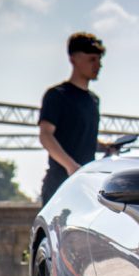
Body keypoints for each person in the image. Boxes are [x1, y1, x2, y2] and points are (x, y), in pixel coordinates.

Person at [37, 32, 117, 205]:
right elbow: (46, 136)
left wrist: (104, 147)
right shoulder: (57, 95)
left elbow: (79, 137)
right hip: (59, 184)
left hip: (85, 184)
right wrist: (71, 166)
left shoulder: (94, 100)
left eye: (99, 60)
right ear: (74, 59)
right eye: (92, 59)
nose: (98, 65)